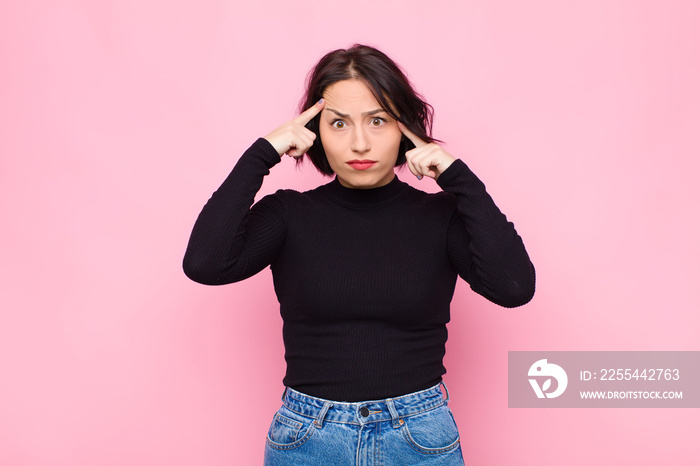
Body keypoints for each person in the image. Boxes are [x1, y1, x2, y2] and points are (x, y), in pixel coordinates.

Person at [183, 44, 535, 465]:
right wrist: (263, 152)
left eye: (379, 121)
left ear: (406, 129)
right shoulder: (288, 214)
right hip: (308, 437)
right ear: (314, 132)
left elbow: (514, 287)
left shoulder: (441, 217)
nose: (360, 143)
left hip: (419, 437)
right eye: (339, 123)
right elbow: (205, 263)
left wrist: (458, 177)